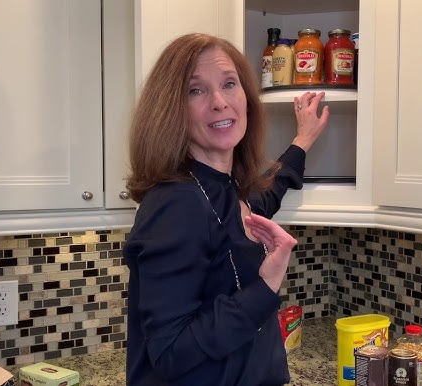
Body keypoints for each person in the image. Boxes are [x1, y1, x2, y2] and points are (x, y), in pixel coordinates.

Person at [123, 32, 329, 386]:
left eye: (229, 84)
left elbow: (269, 192)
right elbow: (171, 353)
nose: (219, 102)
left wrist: (302, 140)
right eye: (195, 90)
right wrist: (266, 285)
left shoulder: (227, 188)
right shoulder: (178, 203)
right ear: (171, 110)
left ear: (246, 97)